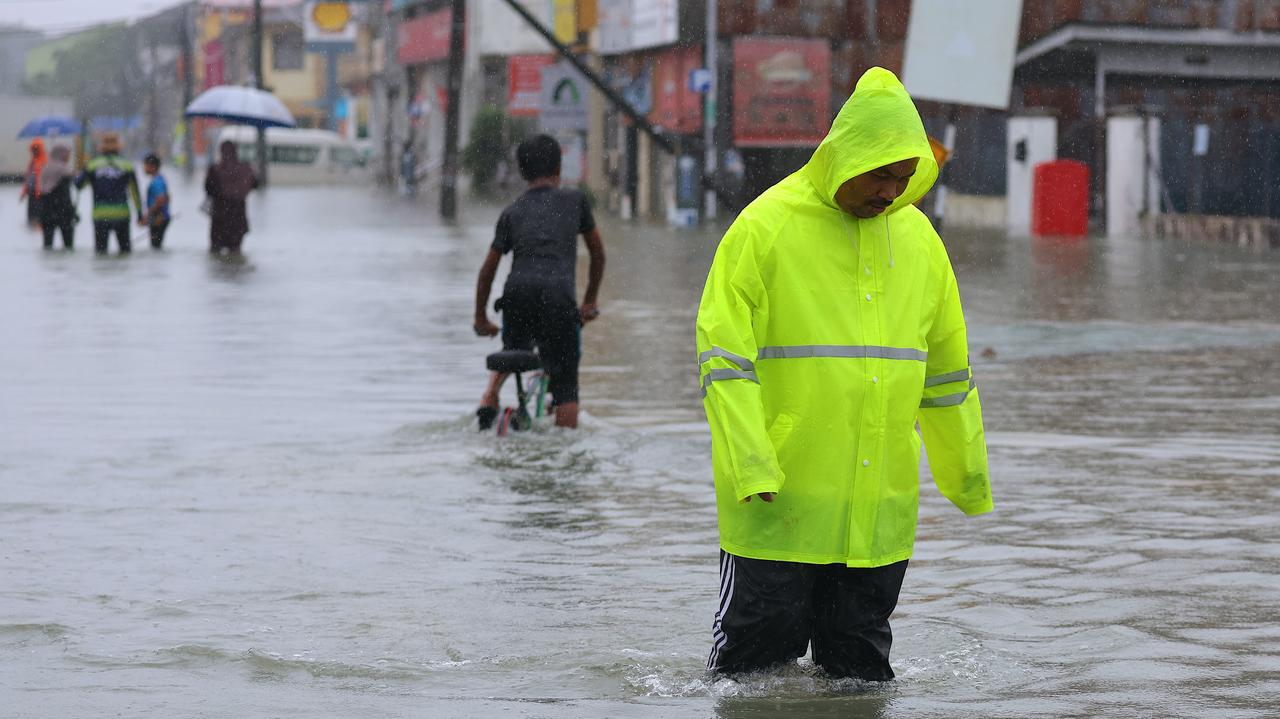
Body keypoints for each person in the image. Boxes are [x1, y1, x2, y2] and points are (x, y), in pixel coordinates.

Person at [695, 67, 994, 681]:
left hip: (878, 516)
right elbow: (724, 361)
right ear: (846, 157)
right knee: (751, 679)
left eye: (905, 178)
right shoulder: (763, 228)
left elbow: (947, 373)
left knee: (859, 680)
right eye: (881, 173)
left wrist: (966, 477)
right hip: (778, 504)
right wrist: (750, 462)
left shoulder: (921, 242)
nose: (891, 191)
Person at [472, 134, 606, 430]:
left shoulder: (512, 212)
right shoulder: (575, 201)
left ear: (522, 173)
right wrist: (589, 301)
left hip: (517, 295)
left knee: (513, 348)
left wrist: (481, 317)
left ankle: (489, 397)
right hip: (559, 297)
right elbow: (597, 253)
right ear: (559, 167)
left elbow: (487, 270)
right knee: (566, 385)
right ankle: (564, 442)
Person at [75, 133, 143, 254]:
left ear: (101, 147)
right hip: (122, 214)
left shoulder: (92, 165)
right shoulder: (127, 166)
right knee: (125, 253)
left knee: (101, 255)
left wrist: (81, 168)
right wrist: (139, 214)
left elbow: (78, 185)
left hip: (101, 215)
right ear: (118, 147)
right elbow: (135, 193)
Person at [204, 140, 258, 255]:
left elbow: (208, 189)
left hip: (220, 216)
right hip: (238, 218)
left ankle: (221, 271)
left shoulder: (215, 169)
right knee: (235, 250)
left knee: (215, 251)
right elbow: (255, 184)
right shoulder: (245, 168)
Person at [37, 144, 77, 250]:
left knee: (47, 245)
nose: (69, 157)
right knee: (68, 246)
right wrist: (73, 212)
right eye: (67, 154)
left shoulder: (45, 167)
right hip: (63, 211)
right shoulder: (63, 169)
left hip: (46, 211)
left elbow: (42, 190)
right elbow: (68, 191)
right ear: (62, 154)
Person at [139, 153, 171, 249]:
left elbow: (161, 199)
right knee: (156, 246)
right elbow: (168, 198)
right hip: (161, 217)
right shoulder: (160, 179)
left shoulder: (156, 181)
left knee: (155, 247)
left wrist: (148, 215)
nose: (143, 168)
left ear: (152, 166)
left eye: (145, 165)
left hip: (158, 219)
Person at [18, 139, 48, 226]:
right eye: (33, 149)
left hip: (40, 193)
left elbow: (44, 178)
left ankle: (38, 227)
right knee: (32, 216)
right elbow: (28, 178)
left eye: (36, 149)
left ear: (40, 149)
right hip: (32, 192)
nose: (34, 151)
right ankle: (33, 225)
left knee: (38, 216)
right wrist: (24, 192)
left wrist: (40, 191)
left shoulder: (44, 161)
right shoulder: (33, 162)